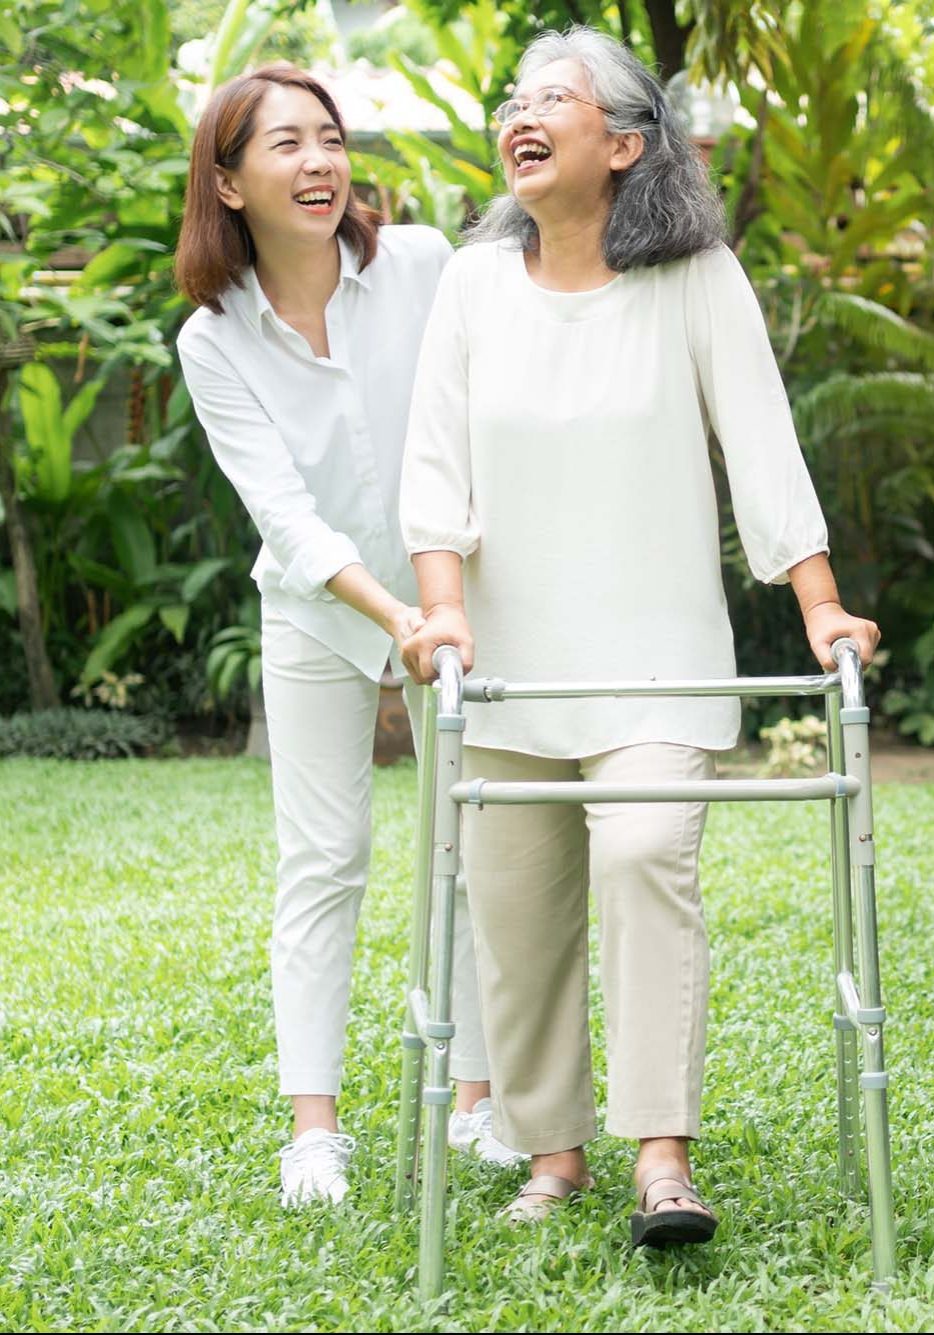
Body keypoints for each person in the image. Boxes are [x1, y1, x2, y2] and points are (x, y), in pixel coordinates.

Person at [399, 26, 880, 1242]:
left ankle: (660, 1155)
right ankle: (551, 1155)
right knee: (514, 913)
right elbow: (433, 468)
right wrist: (441, 606)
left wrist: (820, 604)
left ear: (620, 144)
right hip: (506, 667)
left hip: (656, 661)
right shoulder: (469, 285)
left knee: (643, 855)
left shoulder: (694, 276)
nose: (520, 112)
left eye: (550, 98)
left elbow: (763, 452)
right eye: (513, 97)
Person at [174, 64, 522, 1209]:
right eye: (285, 145)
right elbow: (283, 512)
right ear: (226, 183)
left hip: (459, 598)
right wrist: (392, 619)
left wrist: (441, 608)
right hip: (321, 611)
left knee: (472, 846)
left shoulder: (421, 264)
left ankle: (478, 1100)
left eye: (328, 138)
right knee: (322, 863)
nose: (318, 161)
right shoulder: (212, 340)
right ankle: (313, 1129)